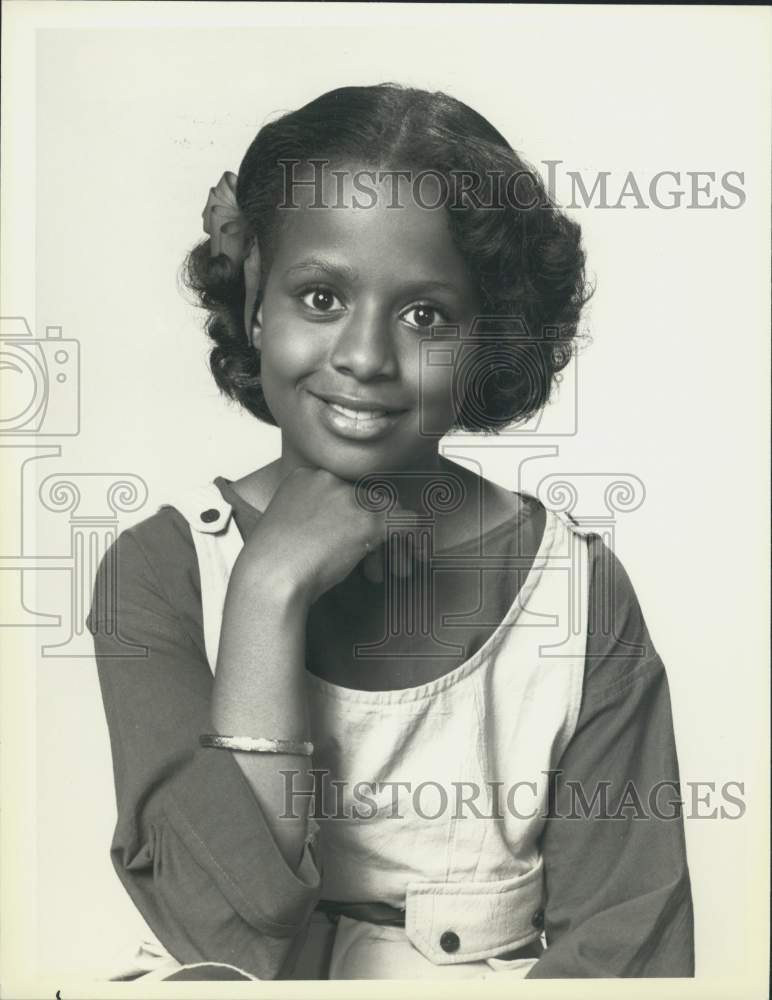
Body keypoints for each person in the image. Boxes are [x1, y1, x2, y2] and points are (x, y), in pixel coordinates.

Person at [87, 83, 694, 981]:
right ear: (257, 296)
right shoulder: (162, 570)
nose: (366, 357)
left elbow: (630, 948)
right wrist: (266, 592)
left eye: (425, 317)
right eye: (322, 296)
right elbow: (215, 936)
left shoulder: (576, 592)